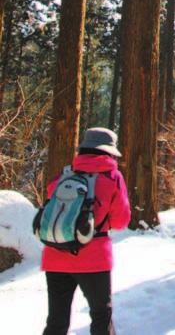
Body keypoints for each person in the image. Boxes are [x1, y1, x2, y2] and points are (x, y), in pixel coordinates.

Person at [40, 127, 130, 335]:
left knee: (56, 322)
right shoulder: (112, 177)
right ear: (109, 152)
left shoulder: (65, 174)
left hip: (56, 255)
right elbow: (120, 221)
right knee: (100, 317)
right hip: (93, 258)